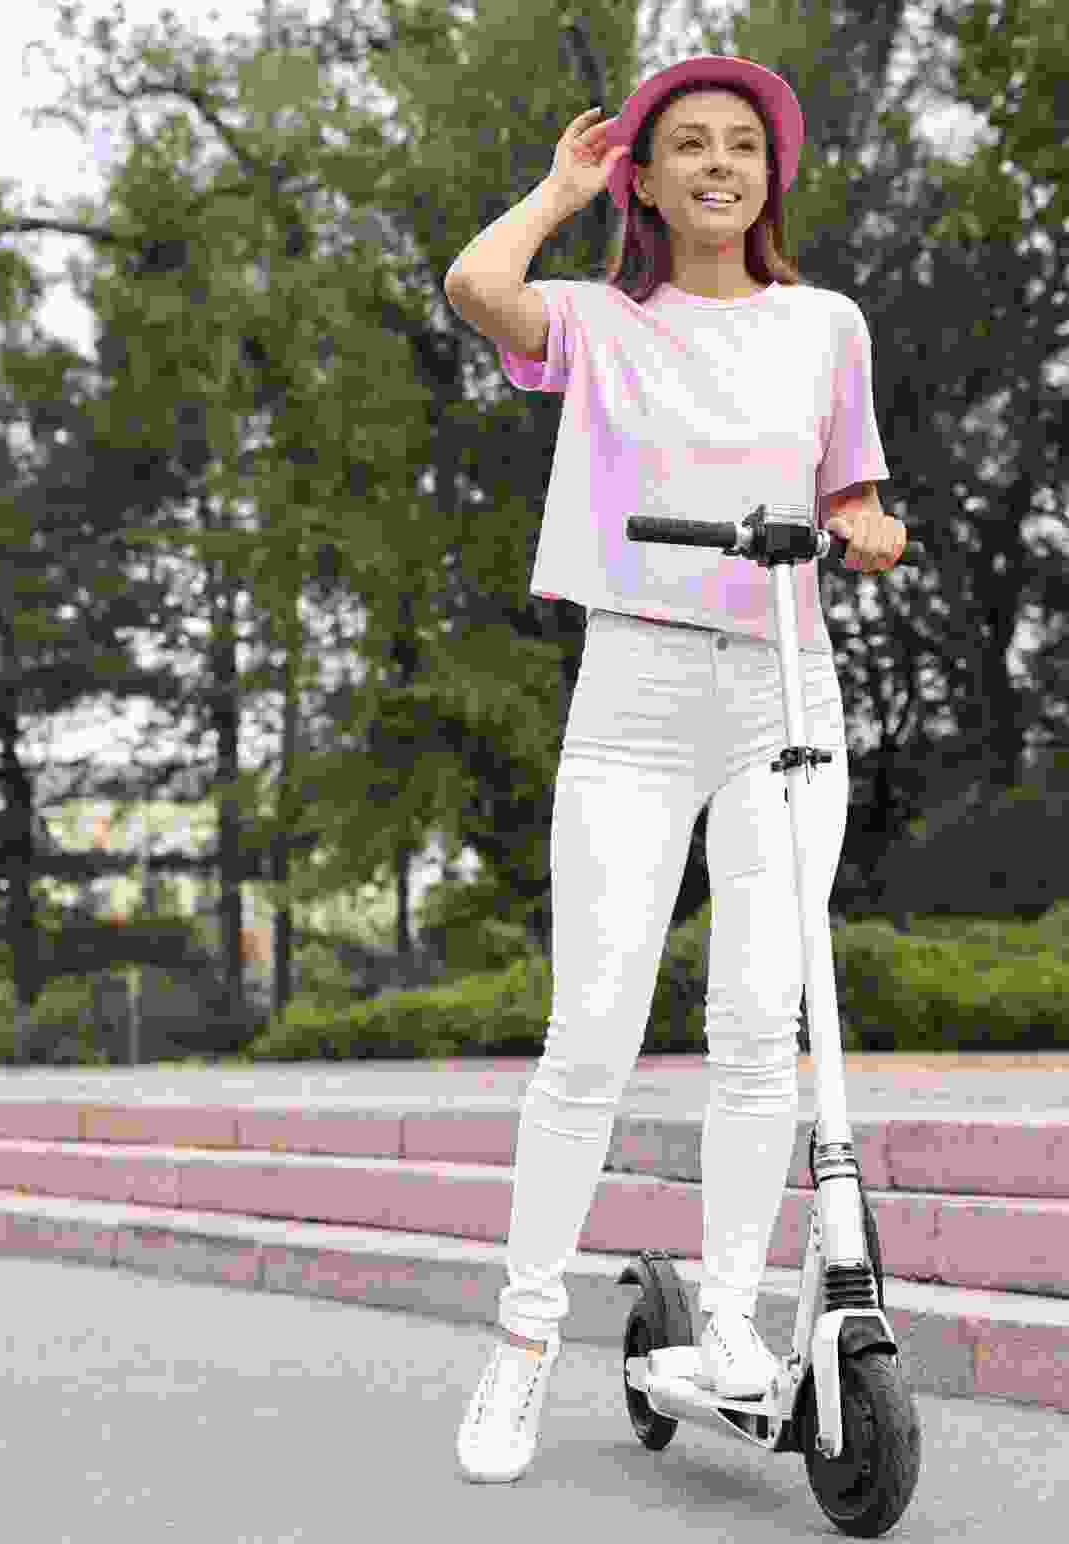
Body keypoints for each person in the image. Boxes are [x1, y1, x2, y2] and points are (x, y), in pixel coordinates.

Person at [444, 54, 906, 1484]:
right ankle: (523, 1339)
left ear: (773, 177)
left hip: (786, 683)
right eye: (688, 146)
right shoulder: (598, 321)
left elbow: (853, 492)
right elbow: (475, 286)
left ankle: (730, 1322)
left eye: (742, 147)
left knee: (761, 1019)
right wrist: (558, 190)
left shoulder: (827, 325)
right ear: (644, 179)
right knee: (592, 1030)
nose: (718, 165)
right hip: (634, 688)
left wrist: (873, 527)